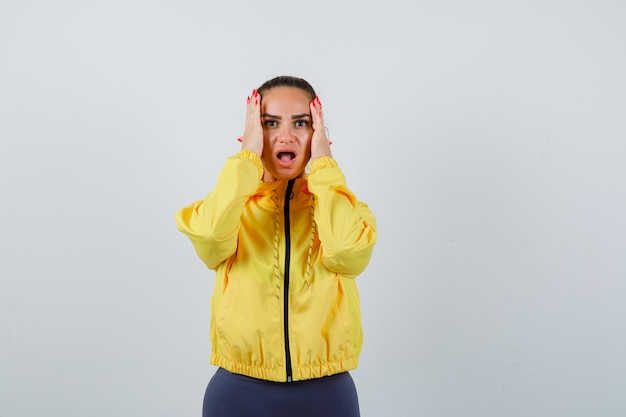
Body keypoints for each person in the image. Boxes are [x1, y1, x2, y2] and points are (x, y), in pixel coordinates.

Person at [174, 75, 377, 417]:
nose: (285, 135)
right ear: (253, 132)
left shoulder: (341, 205)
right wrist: (246, 157)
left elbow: (346, 253)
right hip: (237, 395)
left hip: (327, 396)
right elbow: (209, 238)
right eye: (269, 123)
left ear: (318, 134)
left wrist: (324, 165)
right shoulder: (231, 206)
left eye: (301, 123)